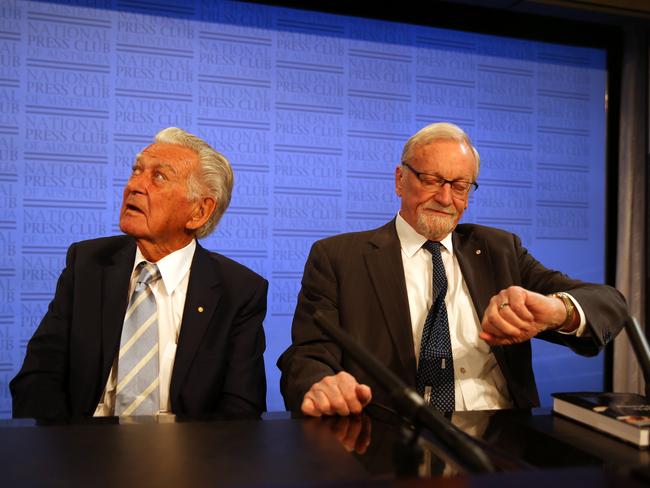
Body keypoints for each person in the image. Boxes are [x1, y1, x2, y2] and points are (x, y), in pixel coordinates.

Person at [278, 122, 628, 417]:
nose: (446, 199)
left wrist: (555, 311)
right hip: (393, 435)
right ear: (400, 180)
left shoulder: (499, 249)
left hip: (501, 435)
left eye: (460, 186)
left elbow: (609, 303)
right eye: (432, 180)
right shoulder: (340, 257)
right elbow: (310, 355)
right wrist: (320, 385)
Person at [11, 127, 268, 418]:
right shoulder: (87, 264)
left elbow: (241, 407)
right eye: (136, 171)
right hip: (82, 449)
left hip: (187, 456)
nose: (135, 186)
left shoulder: (239, 290)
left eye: (159, 176)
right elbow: (39, 376)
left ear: (199, 212)